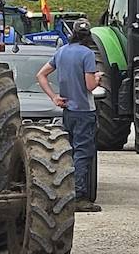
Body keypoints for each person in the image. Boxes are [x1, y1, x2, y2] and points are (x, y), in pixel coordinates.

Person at [37, 21, 102, 212]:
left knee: (69, 152)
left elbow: (41, 75)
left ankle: (64, 192)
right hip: (84, 110)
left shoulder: (62, 51)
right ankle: (79, 196)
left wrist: (54, 97)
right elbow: (90, 86)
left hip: (67, 109)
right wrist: (98, 77)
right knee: (83, 153)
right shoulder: (87, 54)